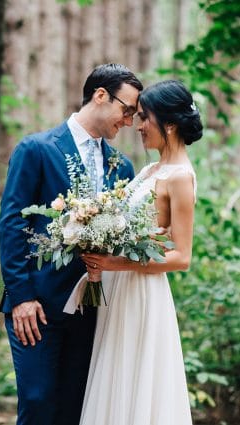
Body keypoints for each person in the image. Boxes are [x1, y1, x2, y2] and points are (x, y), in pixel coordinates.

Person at [0, 64, 143, 425]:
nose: (128, 121)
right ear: (99, 95)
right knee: (38, 402)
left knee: (77, 406)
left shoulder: (120, 166)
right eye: (126, 110)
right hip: (38, 305)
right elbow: (12, 225)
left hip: (91, 307)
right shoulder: (36, 149)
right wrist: (22, 298)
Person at [80, 80, 203, 424]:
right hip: (121, 289)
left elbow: (181, 257)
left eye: (145, 118)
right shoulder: (152, 169)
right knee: (114, 379)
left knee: (136, 383)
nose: (138, 126)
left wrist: (114, 263)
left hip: (142, 293)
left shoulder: (180, 177)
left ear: (170, 124)